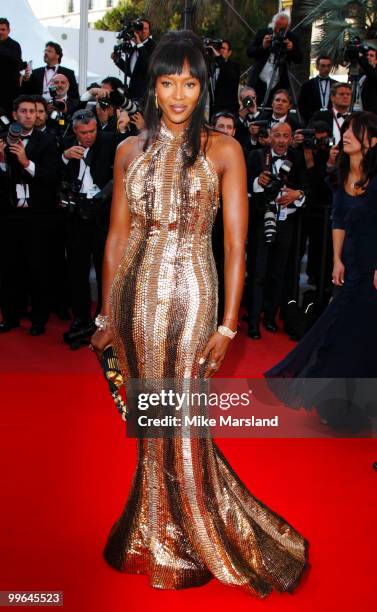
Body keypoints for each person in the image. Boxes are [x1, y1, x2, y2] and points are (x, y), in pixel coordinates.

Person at [90, 30, 307, 596]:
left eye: (189, 82)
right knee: (149, 414)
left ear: (203, 86)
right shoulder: (126, 151)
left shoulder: (224, 149)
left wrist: (229, 324)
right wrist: (105, 315)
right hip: (134, 297)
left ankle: (195, 533)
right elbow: (118, 236)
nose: (179, 94)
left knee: (183, 418)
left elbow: (236, 245)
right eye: (167, 83)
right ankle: (151, 525)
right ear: (153, 87)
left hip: (192, 296)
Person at [266, 112, 377, 429]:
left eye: (356, 131)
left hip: (374, 267)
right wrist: (337, 260)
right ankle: (335, 404)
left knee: (365, 337)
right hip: (353, 267)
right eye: (347, 129)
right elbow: (338, 220)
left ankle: (360, 405)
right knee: (338, 333)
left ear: (371, 141)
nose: (347, 135)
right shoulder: (341, 175)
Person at [0, 95, 59, 335]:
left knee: (38, 268)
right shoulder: (3, 140)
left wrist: (26, 162)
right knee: (8, 268)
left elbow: (51, 178)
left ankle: (38, 319)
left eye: (32, 112)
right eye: (23, 111)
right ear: (15, 115)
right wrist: (3, 162)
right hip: (9, 214)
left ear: (37, 115)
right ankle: (11, 316)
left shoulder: (48, 141)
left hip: (38, 215)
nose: (27, 115)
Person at [246, 122, 307, 339]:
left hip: (286, 222)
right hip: (261, 220)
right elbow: (244, 185)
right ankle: (253, 321)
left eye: (285, 136)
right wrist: (257, 182)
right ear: (270, 136)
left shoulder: (298, 158)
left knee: (278, 272)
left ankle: (270, 317)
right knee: (258, 272)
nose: (281, 140)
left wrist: (296, 194)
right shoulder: (256, 156)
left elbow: (306, 187)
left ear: (291, 138)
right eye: (277, 135)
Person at [61, 109, 116, 334]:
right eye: (83, 132)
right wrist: (65, 157)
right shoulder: (65, 144)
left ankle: (102, 318)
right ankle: (80, 317)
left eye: (92, 131)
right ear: (75, 131)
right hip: (75, 217)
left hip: (102, 215)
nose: (88, 136)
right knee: (77, 270)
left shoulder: (110, 141)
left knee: (106, 269)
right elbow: (54, 175)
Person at [247, 11, 302, 105]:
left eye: (283, 27)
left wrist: (291, 49)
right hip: (259, 79)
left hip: (279, 80)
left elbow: (299, 59)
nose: (279, 28)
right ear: (273, 23)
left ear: (288, 27)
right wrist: (263, 46)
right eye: (278, 25)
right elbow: (249, 52)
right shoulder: (263, 33)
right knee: (252, 103)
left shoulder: (292, 37)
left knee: (274, 104)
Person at [112, 18, 155, 101]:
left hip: (145, 96)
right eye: (141, 28)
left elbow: (148, 66)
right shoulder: (134, 48)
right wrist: (117, 60)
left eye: (146, 28)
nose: (143, 31)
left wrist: (139, 44)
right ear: (136, 30)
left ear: (149, 31)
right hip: (132, 94)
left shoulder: (153, 46)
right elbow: (131, 73)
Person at [298, 55, 338, 124]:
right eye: (323, 66)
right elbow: (301, 105)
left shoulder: (336, 85)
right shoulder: (307, 85)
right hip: (313, 121)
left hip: (332, 120)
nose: (326, 68)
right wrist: (309, 119)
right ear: (317, 67)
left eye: (328, 66)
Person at [208, 39, 240, 116]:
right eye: (220, 48)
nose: (221, 50)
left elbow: (229, 75)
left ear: (229, 53)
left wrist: (219, 58)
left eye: (224, 48)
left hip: (229, 111)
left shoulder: (234, 66)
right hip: (214, 110)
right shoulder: (212, 66)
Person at [0, 17, 22, 115]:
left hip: (10, 92)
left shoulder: (14, 45)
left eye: (3, 29)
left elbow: (16, 60)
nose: (0, 32)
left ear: (8, 30)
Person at [359, 47, 377, 112]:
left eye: (371, 56)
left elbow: (371, 72)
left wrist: (360, 57)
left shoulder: (373, 73)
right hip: (363, 110)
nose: (368, 57)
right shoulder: (363, 75)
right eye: (367, 55)